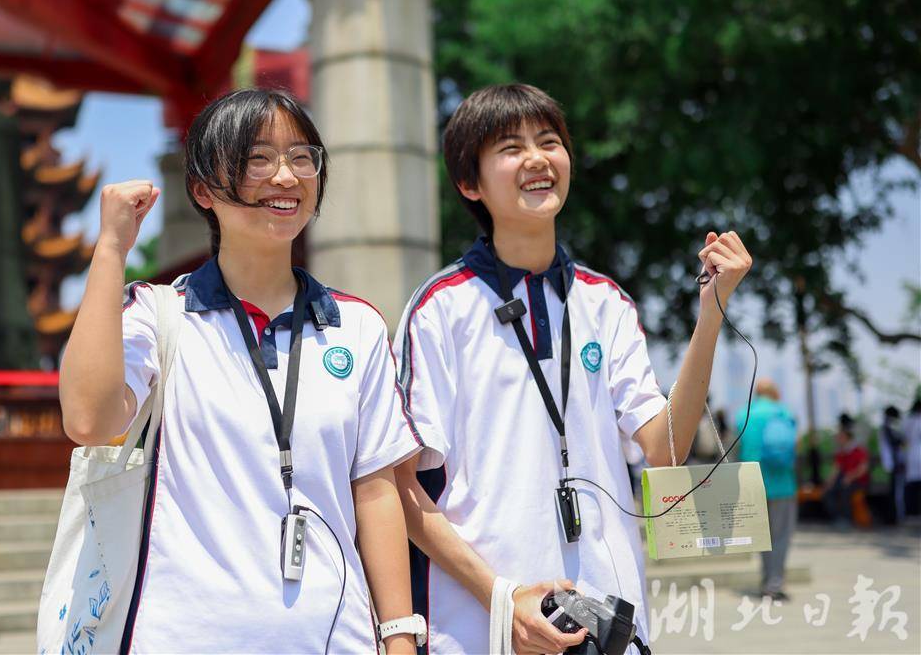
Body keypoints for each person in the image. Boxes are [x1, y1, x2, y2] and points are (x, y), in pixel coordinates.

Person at [59, 88, 423, 653]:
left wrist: (399, 634)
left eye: (302, 157)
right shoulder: (158, 317)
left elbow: (374, 490)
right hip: (184, 639)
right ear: (203, 190)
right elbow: (88, 419)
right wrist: (110, 250)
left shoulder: (358, 326)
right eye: (258, 159)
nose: (286, 176)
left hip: (336, 638)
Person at [393, 84, 752, 654]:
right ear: (469, 183)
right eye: (510, 147)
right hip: (483, 628)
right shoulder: (440, 308)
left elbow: (666, 449)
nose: (537, 159)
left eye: (549, 141)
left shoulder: (606, 301)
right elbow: (402, 487)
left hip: (609, 622)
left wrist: (711, 313)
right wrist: (503, 598)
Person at [735, 378, 797, 601]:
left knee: (763, 537)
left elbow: (736, 450)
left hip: (753, 483)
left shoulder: (744, 415)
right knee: (781, 536)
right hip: (782, 484)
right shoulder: (784, 413)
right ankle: (775, 583)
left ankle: (766, 581)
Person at [823, 421, 870, 528]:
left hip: (859, 482)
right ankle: (837, 518)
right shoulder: (841, 451)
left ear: (847, 437)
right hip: (845, 480)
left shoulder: (858, 450)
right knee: (828, 493)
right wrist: (829, 482)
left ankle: (847, 519)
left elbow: (863, 469)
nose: (837, 438)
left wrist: (850, 477)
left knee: (845, 491)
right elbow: (836, 469)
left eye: (840, 436)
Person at [877, 406, 906, 524]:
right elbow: (896, 442)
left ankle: (894, 517)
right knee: (895, 493)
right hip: (893, 465)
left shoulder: (887, 428)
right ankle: (894, 517)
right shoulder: (887, 428)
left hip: (891, 465)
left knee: (895, 492)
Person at [905, 398, 921, 516]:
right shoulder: (918, 420)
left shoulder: (906, 420)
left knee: (911, 485)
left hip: (910, 454)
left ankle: (911, 511)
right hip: (918, 452)